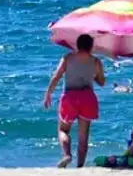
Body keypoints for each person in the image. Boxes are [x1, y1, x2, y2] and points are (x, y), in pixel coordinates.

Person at [43, 34, 105, 168]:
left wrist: (48, 94)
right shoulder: (96, 61)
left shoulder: (68, 58)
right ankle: (80, 166)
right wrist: (92, 75)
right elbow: (102, 82)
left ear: (77, 45)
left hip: (70, 96)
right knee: (83, 136)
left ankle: (67, 155)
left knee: (63, 130)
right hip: (88, 97)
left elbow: (56, 77)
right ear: (91, 47)